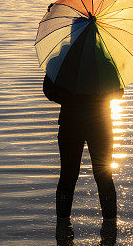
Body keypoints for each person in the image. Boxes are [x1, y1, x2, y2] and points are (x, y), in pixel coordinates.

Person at [43, 73, 123, 221]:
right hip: (100, 126)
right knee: (103, 175)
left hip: (71, 124)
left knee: (68, 175)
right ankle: (110, 226)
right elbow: (118, 92)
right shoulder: (104, 63)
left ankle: (62, 225)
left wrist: (70, 98)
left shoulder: (63, 62)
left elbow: (49, 91)